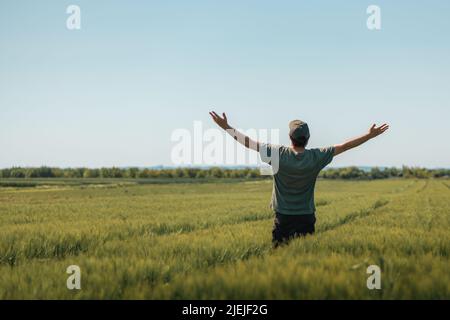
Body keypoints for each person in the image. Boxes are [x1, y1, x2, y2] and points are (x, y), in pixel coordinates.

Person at [209, 111, 389, 247]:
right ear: (308, 139)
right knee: (305, 261)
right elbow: (345, 146)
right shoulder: (316, 157)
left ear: (290, 137)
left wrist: (226, 127)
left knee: (279, 260)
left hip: (283, 218)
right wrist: (369, 135)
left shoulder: (277, 153)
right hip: (306, 217)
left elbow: (248, 143)